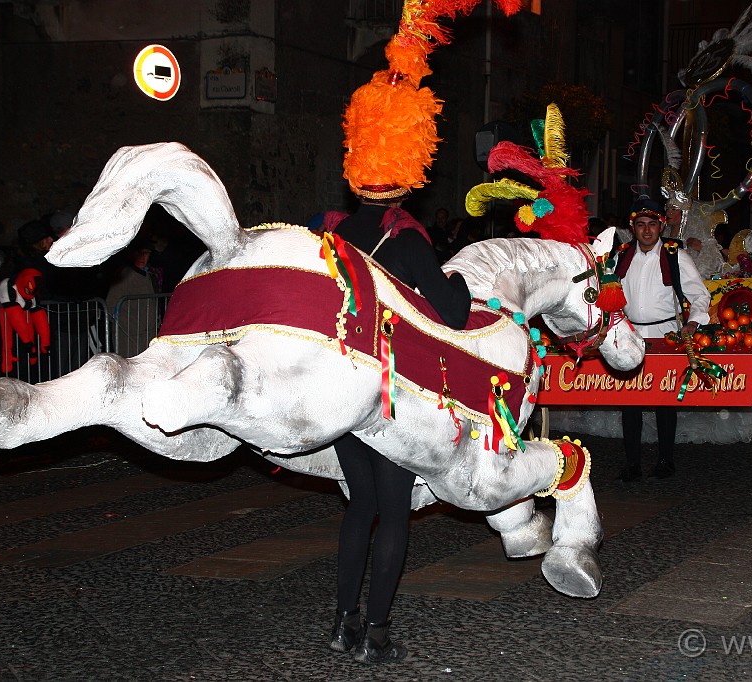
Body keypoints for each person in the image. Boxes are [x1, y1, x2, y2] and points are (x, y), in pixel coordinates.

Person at [326, 18, 472, 665]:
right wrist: (461, 283)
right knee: (393, 510)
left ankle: (340, 623)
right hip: (388, 393)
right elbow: (450, 313)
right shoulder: (408, 239)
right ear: (409, 173)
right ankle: (376, 632)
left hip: (336, 390)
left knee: (359, 509)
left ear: (356, 171)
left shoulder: (329, 234)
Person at [614, 197, 710, 481]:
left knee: (664, 399)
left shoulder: (675, 256)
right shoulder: (621, 257)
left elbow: (699, 293)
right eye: (641, 225)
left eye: (652, 225)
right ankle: (632, 463)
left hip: (665, 334)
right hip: (630, 334)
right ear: (633, 227)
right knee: (629, 401)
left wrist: (694, 322)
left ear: (661, 226)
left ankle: (666, 459)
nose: (646, 230)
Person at [106, 241, 157, 357]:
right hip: (129, 335)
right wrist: (127, 324)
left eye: (146, 253)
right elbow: (111, 304)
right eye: (139, 253)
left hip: (147, 333)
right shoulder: (125, 275)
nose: (142, 257)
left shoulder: (148, 275)